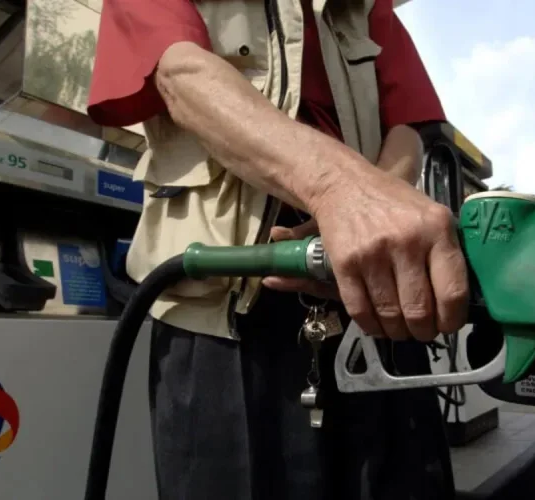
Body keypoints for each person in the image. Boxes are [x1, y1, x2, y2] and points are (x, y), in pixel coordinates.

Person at [87, 1, 469, 499]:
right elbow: (180, 73)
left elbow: (409, 123)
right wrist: (342, 192)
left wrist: (372, 212)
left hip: (375, 289)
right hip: (224, 313)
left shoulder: (367, 7)